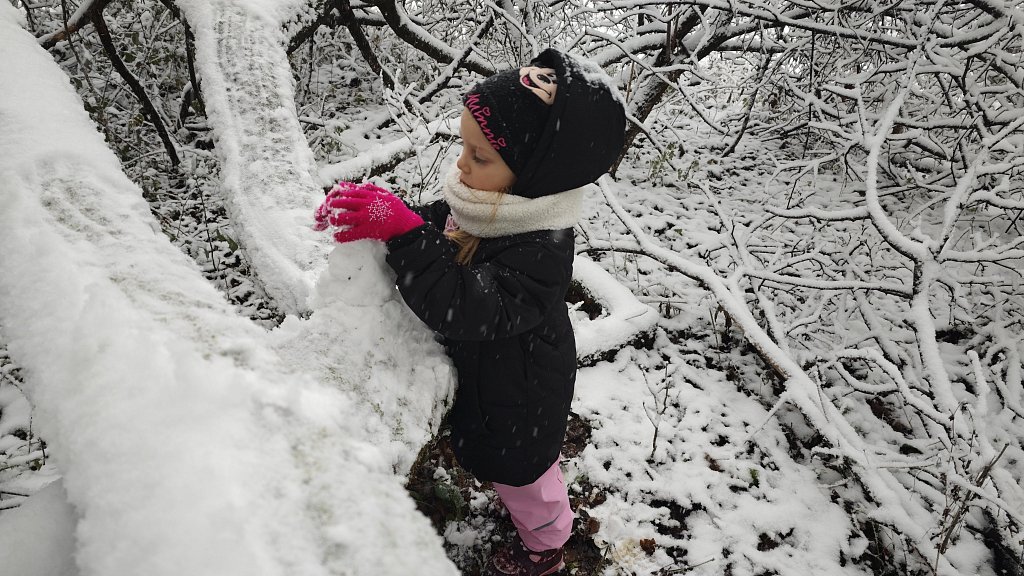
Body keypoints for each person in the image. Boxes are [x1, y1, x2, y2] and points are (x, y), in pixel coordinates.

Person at [314, 48, 626, 576]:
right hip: (493, 384)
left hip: (522, 402)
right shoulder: (487, 204)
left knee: (528, 483)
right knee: (510, 473)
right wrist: (390, 214)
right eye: (464, 146)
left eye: (479, 157)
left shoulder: (540, 251)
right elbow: (443, 227)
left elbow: (465, 304)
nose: (461, 164)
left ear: (534, 176)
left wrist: (405, 234)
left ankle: (547, 546)